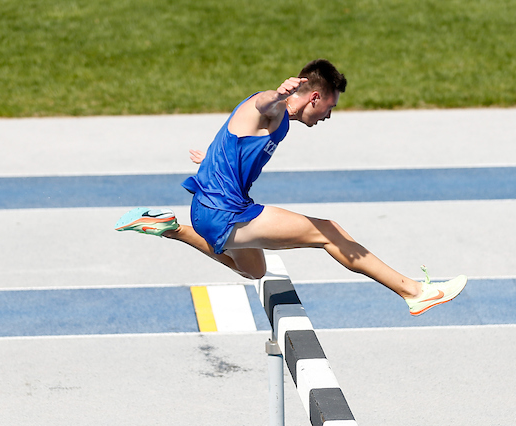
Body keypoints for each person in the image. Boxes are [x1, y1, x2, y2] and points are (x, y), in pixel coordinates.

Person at [116, 59, 466, 316]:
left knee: (254, 270)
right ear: (314, 96)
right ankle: (414, 292)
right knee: (329, 232)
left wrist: (210, 159)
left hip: (208, 212)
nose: (330, 114)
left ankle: (170, 228)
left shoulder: (279, 122)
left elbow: (235, 139)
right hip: (225, 212)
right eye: (330, 106)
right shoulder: (274, 110)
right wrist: (278, 94)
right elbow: (261, 104)